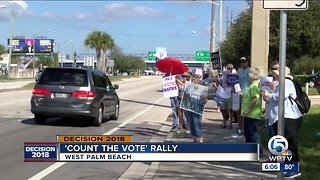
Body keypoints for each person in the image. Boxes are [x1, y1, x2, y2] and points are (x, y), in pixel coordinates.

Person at [262, 66, 303, 178]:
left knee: (290, 143)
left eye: (276, 70)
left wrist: (268, 95)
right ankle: (284, 165)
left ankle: (294, 168)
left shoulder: (287, 82)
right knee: (282, 144)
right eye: (273, 71)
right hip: (279, 117)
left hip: (289, 117)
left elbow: (281, 97)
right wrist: (267, 97)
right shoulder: (279, 84)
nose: (273, 73)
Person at [241, 67, 263, 152]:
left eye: (248, 74)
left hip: (251, 114)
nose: (247, 76)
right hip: (248, 114)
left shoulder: (255, 85)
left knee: (253, 133)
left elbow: (255, 98)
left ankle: (257, 151)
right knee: (248, 133)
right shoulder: (252, 84)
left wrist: (248, 109)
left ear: (252, 75)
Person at [184, 73, 207, 143]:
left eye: (194, 80)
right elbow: (185, 97)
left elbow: (205, 99)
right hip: (189, 108)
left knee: (197, 123)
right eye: (192, 80)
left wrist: (202, 101)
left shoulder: (202, 88)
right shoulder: (188, 87)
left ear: (198, 81)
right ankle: (194, 138)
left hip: (197, 108)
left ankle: (200, 137)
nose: (193, 81)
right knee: (191, 124)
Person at [232, 57, 250, 138]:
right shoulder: (238, 72)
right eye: (241, 62)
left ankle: (246, 130)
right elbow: (235, 82)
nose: (242, 63)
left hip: (247, 95)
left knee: (246, 113)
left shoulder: (250, 71)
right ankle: (239, 130)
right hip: (239, 94)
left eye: (244, 61)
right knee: (239, 113)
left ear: (247, 62)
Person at [263, 61, 279, 140]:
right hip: (268, 111)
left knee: (276, 136)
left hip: (276, 113)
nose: (273, 70)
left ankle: (277, 152)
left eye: (276, 68)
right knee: (269, 134)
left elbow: (279, 96)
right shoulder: (269, 80)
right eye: (272, 68)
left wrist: (272, 88)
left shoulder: (281, 82)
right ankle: (272, 151)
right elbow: (265, 98)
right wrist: (264, 94)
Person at [218, 64, 234, 129]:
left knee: (231, 109)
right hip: (224, 94)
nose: (230, 69)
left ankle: (230, 124)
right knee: (223, 109)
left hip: (231, 93)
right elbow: (219, 84)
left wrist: (230, 82)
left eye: (231, 68)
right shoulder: (222, 77)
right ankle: (224, 123)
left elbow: (236, 84)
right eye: (228, 68)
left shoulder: (234, 76)